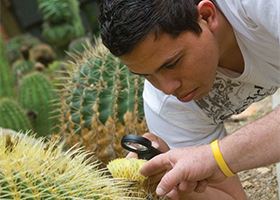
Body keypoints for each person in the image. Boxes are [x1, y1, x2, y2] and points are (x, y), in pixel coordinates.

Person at [99, 0, 280, 199]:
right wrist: (180, 183)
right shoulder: (166, 106)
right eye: (146, 75)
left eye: (172, 63)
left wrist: (216, 157)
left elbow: (214, 160)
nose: (167, 88)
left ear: (206, 16)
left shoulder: (261, 5)